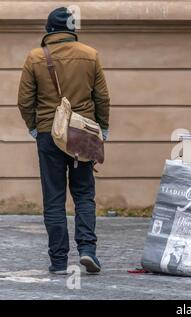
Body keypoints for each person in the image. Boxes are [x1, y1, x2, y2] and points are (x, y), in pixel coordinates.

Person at [17, 7, 110, 274]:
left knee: (54, 198)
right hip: (83, 135)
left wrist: (35, 127)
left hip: (49, 135)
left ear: (49, 29)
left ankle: (59, 261)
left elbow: (24, 101)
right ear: (72, 30)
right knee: (83, 194)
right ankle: (88, 251)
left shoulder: (35, 57)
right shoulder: (90, 56)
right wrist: (102, 128)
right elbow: (102, 97)